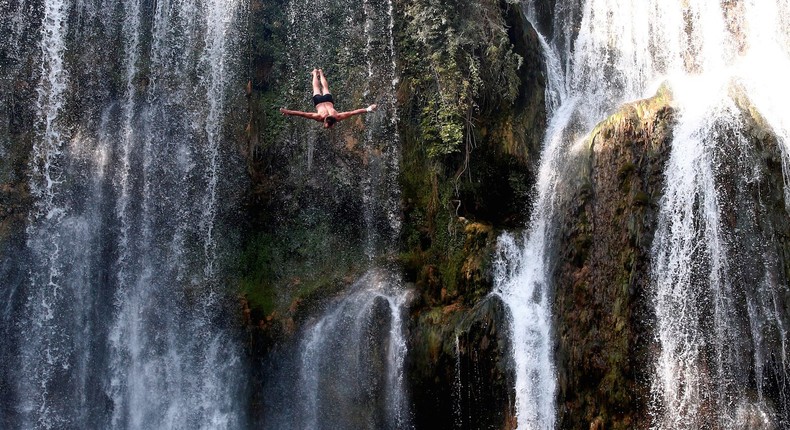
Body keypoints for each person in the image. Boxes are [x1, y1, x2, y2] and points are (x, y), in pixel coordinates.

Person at [279, 68, 377, 129]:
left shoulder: (337, 116)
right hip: (319, 102)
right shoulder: (320, 117)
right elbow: (302, 114)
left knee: (324, 88)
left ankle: (318, 73)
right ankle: (317, 73)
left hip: (328, 100)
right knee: (317, 88)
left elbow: (353, 112)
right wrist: (287, 111)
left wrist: (368, 109)